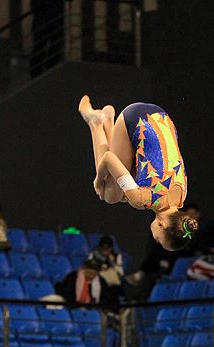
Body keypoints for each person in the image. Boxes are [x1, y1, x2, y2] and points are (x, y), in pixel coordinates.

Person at [79, 96, 198, 251]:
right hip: (135, 119)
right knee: (110, 194)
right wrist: (98, 180)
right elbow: (109, 159)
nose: (155, 239)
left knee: (120, 188)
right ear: (162, 225)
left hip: (160, 117)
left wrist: (125, 193)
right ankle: (96, 123)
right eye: (158, 240)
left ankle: (108, 121)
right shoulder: (143, 200)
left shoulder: (181, 196)